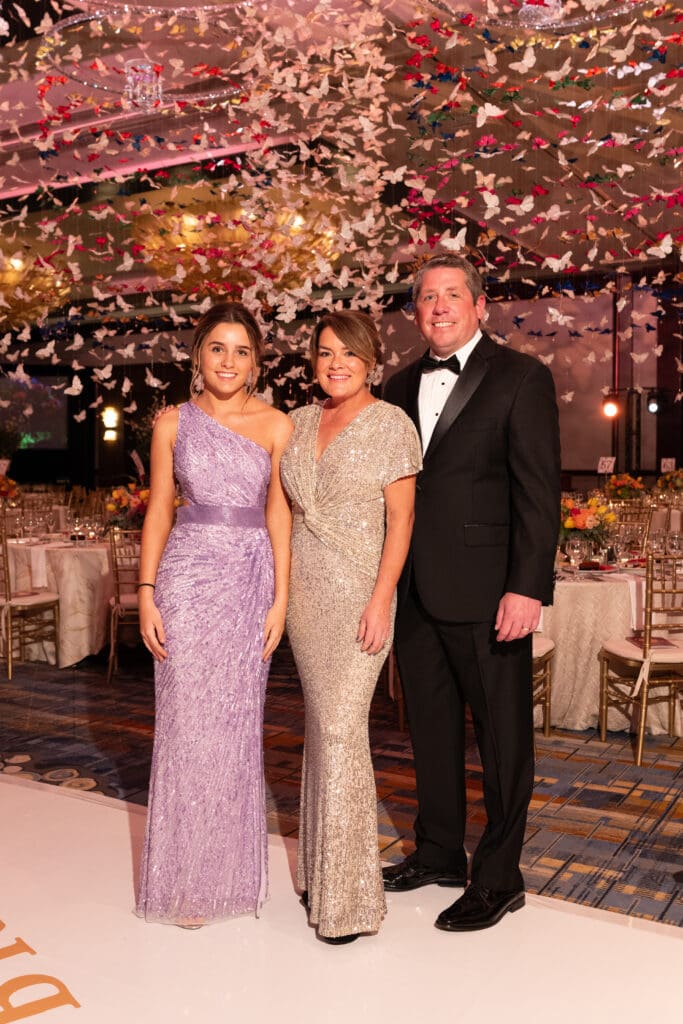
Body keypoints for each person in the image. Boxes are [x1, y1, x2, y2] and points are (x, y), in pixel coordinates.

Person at [382, 255, 561, 931]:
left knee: (502, 738)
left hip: (490, 595)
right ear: (415, 310)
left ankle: (497, 877)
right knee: (428, 732)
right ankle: (436, 853)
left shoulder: (521, 378)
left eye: (451, 294)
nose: (438, 306)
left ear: (479, 305)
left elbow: (538, 495)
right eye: (426, 297)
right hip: (416, 592)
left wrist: (526, 588)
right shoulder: (397, 387)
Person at [135, 301, 293, 927]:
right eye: (218, 348)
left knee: (234, 726)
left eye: (242, 350)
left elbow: (280, 514)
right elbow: (158, 510)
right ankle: (183, 878)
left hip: (249, 580)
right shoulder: (171, 421)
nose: (229, 361)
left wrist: (281, 596)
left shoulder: (278, 425)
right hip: (186, 578)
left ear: (256, 363)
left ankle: (223, 876)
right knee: (183, 724)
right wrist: (146, 591)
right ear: (198, 356)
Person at [280, 310, 422, 944]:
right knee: (321, 726)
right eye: (325, 352)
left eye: (348, 353)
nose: (335, 363)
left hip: (361, 596)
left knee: (340, 729)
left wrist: (380, 598)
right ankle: (318, 868)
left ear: (371, 361)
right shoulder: (300, 422)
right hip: (306, 599)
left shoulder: (391, 423)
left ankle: (348, 901)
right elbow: (280, 515)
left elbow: (402, 523)